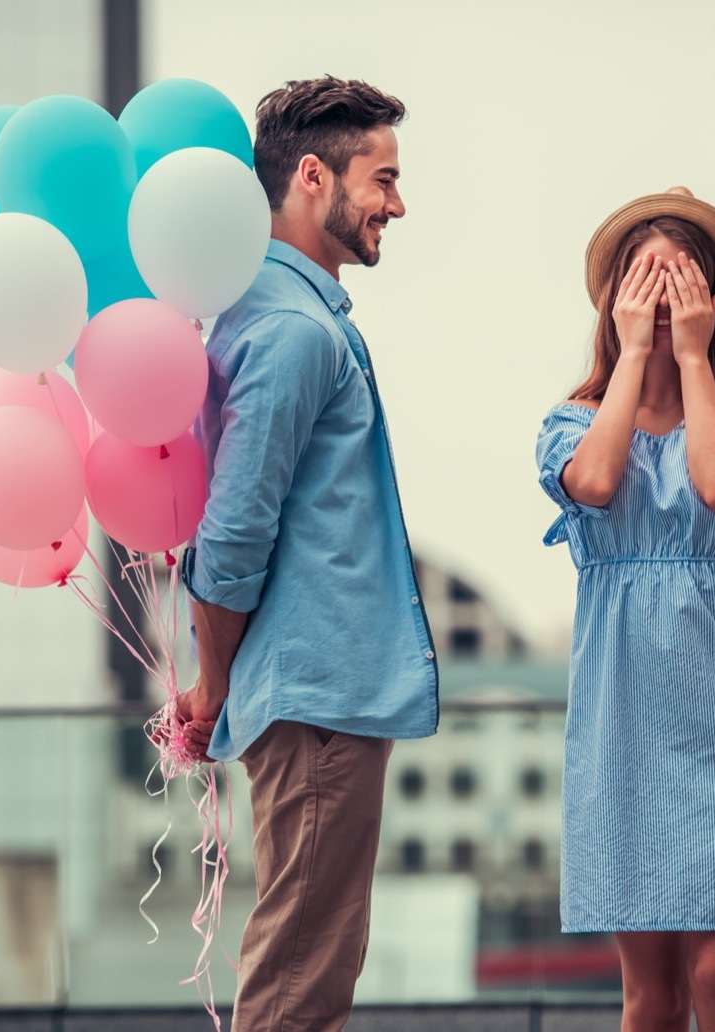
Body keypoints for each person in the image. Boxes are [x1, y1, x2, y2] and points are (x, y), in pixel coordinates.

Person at [168, 77, 439, 1032]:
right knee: (300, 979)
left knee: (315, 961)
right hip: (316, 692)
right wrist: (210, 684)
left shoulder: (286, 316)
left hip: (321, 691)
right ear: (314, 177)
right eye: (385, 178)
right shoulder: (291, 329)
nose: (398, 204)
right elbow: (235, 533)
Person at [535, 186, 715, 1031]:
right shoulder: (570, 424)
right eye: (645, 280)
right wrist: (633, 357)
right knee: (649, 996)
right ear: (614, 296)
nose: (663, 299)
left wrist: (695, 359)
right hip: (624, 730)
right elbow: (593, 483)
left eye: (682, 279)